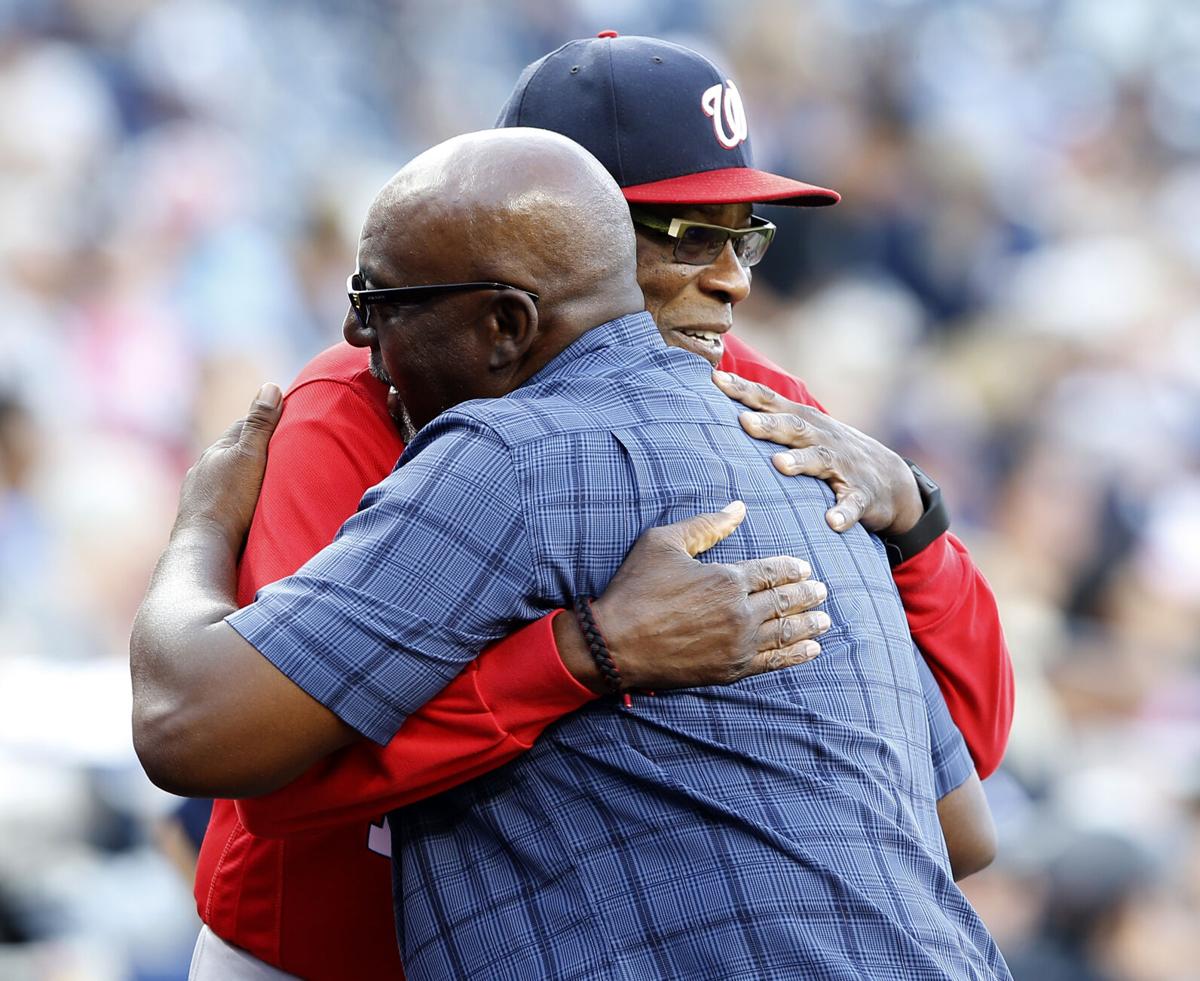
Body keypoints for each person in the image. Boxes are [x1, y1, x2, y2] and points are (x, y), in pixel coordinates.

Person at [141, 34, 1011, 980]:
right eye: (686, 234)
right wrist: (582, 654)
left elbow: (953, 783)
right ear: (557, 227)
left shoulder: (760, 400)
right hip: (320, 945)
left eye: (743, 232)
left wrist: (921, 528)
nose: (734, 276)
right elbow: (273, 772)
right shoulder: (365, 394)